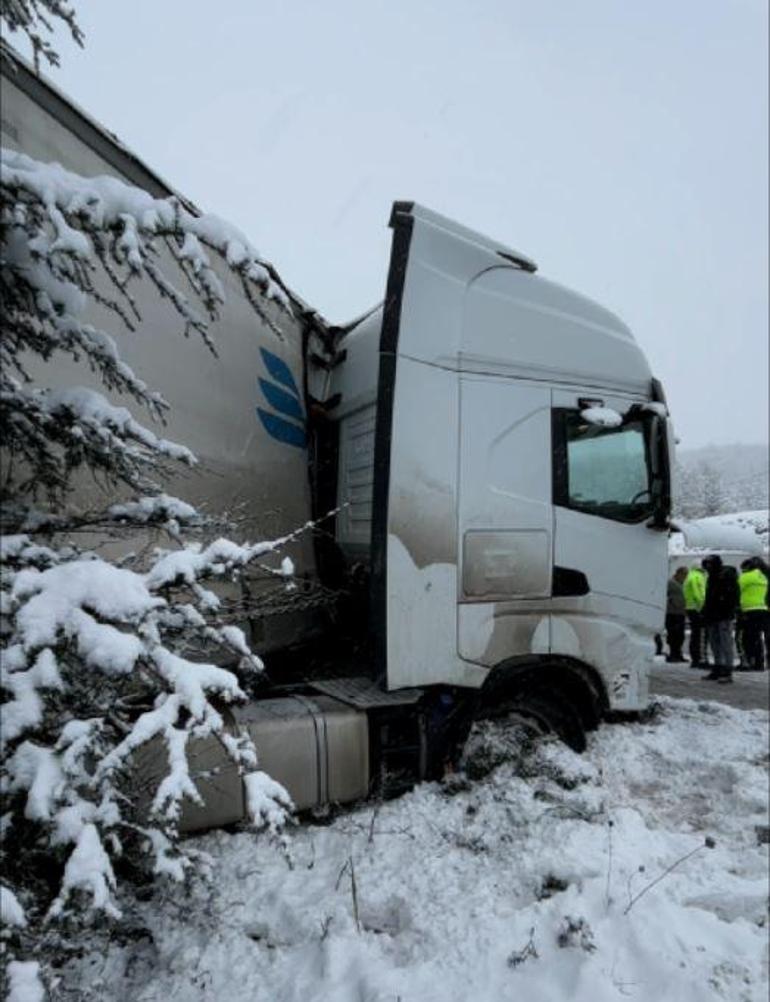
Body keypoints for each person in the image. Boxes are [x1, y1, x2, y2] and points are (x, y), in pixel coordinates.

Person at [702, 555, 738, 683]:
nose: (707, 568)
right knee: (716, 643)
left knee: (724, 643)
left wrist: (728, 610)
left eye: (709, 565)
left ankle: (726, 670)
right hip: (714, 614)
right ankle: (719, 667)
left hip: (722, 615)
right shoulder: (713, 577)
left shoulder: (725, 577)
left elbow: (731, 597)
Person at [738, 558, 769, 671]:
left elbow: (737, 591)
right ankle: (759, 663)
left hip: (748, 610)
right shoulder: (763, 577)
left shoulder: (745, 577)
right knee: (759, 638)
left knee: (748, 638)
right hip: (762, 608)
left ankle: (749, 662)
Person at [683, 563, 707, 667]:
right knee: (700, 635)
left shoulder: (689, 576)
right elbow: (699, 593)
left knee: (695, 634)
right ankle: (700, 659)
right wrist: (702, 606)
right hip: (697, 608)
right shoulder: (698, 577)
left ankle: (695, 658)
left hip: (690, 607)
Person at [665, 567, 688, 662]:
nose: (685, 577)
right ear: (678, 573)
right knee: (673, 634)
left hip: (681, 612)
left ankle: (678, 654)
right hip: (672, 612)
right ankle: (672, 654)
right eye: (684, 574)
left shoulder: (683, 584)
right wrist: (671, 601)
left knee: (680, 635)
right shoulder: (670, 583)